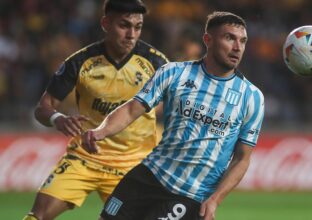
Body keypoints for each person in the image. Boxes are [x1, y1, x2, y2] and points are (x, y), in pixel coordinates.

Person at [82, 11, 265, 220]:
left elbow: (242, 158)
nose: (237, 47)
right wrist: (101, 131)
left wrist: (215, 199)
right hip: (148, 176)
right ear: (208, 40)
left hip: (190, 195)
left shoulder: (251, 97)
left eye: (242, 41)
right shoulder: (174, 73)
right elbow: (133, 108)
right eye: (229, 38)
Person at [23, 0, 168, 219]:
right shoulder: (80, 62)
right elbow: (43, 107)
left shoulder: (156, 63)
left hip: (134, 164)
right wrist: (58, 119)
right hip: (84, 157)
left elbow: (179, 106)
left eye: (137, 27)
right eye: (124, 25)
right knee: (38, 215)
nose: (131, 34)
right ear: (105, 23)